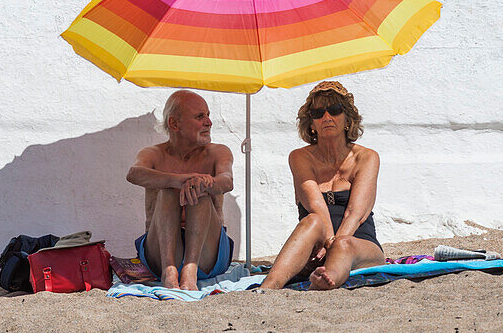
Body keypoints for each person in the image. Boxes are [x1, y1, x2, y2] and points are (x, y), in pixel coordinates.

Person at [260, 80, 385, 291]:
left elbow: (355, 214)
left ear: (347, 119)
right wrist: (327, 242)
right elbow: (315, 205)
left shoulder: (366, 157)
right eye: (318, 113)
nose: (326, 117)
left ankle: (327, 279)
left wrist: (334, 245)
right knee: (313, 220)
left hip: (358, 242)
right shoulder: (300, 157)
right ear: (311, 123)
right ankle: (267, 287)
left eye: (334, 110)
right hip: (315, 245)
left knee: (344, 244)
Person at [126, 89, 235, 289]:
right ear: (174, 124)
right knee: (169, 190)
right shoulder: (153, 153)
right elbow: (134, 174)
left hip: (207, 254)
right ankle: (170, 271)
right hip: (160, 253)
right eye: (200, 116)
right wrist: (178, 180)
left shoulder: (218, 151)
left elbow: (227, 182)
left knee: (199, 192)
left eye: (208, 115)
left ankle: (190, 271)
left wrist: (204, 183)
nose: (209, 122)